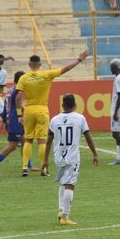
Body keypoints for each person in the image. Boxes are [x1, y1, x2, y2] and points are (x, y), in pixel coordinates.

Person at [16, 50, 90, 177]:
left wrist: (19, 115)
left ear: (29, 64)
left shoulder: (23, 78)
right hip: (42, 110)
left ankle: (24, 168)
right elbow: (65, 69)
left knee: (28, 139)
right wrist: (79, 60)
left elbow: (18, 98)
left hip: (29, 110)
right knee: (41, 141)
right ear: (40, 64)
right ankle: (43, 170)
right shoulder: (46, 75)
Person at [42, 94, 100, 226]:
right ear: (75, 105)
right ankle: (65, 217)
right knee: (70, 185)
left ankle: (61, 209)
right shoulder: (80, 118)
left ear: (62, 105)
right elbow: (88, 137)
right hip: (72, 157)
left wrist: (45, 159)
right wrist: (94, 154)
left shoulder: (54, 120)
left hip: (58, 157)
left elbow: (49, 140)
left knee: (63, 183)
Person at [0, 71, 36, 174]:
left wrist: (4, 121)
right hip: (15, 121)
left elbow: (6, 107)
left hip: (12, 120)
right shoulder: (17, 91)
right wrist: (21, 114)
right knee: (12, 145)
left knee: (24, 142)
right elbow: (18, 104)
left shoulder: (10, 90)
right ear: (20, 80)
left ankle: (29, 166)